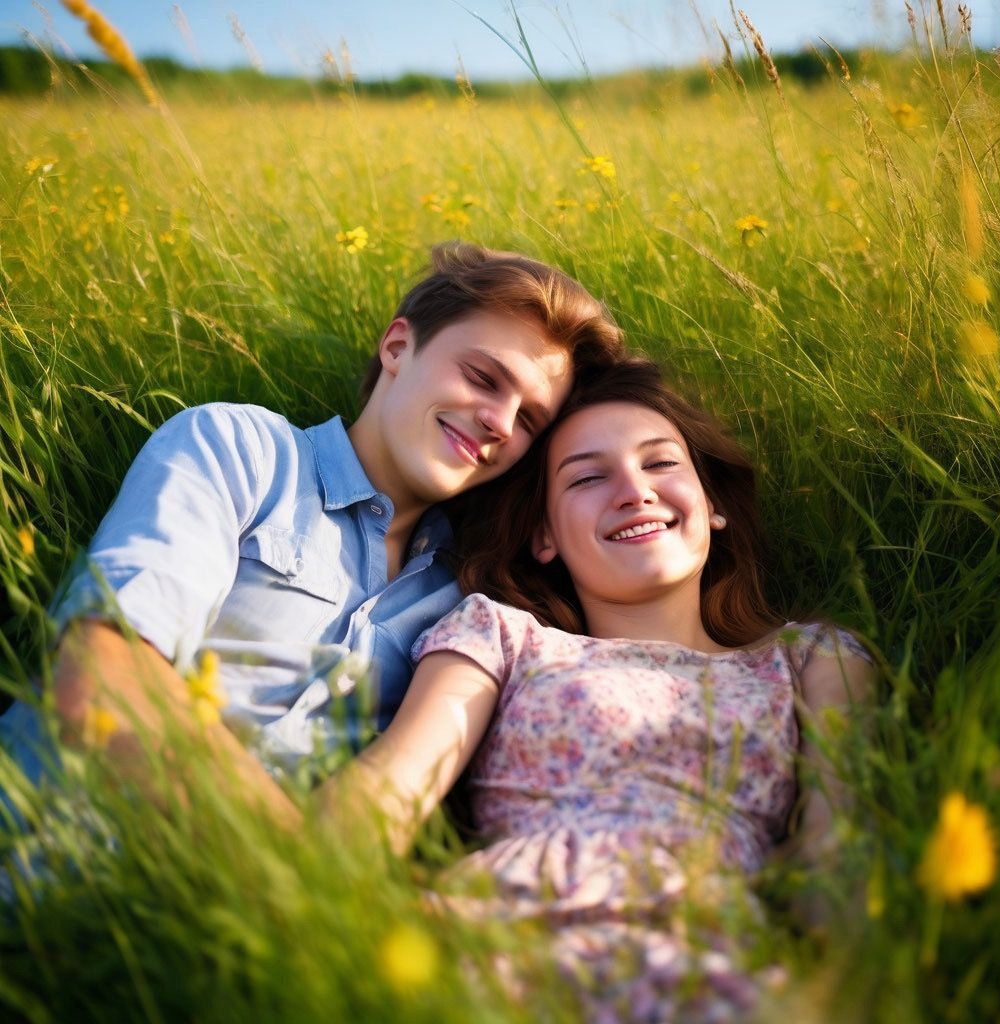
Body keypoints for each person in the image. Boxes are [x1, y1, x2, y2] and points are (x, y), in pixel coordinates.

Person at [0, 242, 624, 828]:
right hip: (43, 853)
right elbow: (102, 674)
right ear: (398, 348)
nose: (498, 421)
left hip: (213, 934)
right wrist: (292, 874)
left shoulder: (467, 600)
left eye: (529, 420)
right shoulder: (241, 452)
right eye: (483, 378)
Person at [326, 357, 875, 1022]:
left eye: (660, 463)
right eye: (588, 476)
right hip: (492, 939)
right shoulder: (502, 637)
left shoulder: (811, 661)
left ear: (715, 504)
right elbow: (391, 788)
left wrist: (840, 991)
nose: (633, 490)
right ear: (544, 536)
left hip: (706, 962)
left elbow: (837, 842)